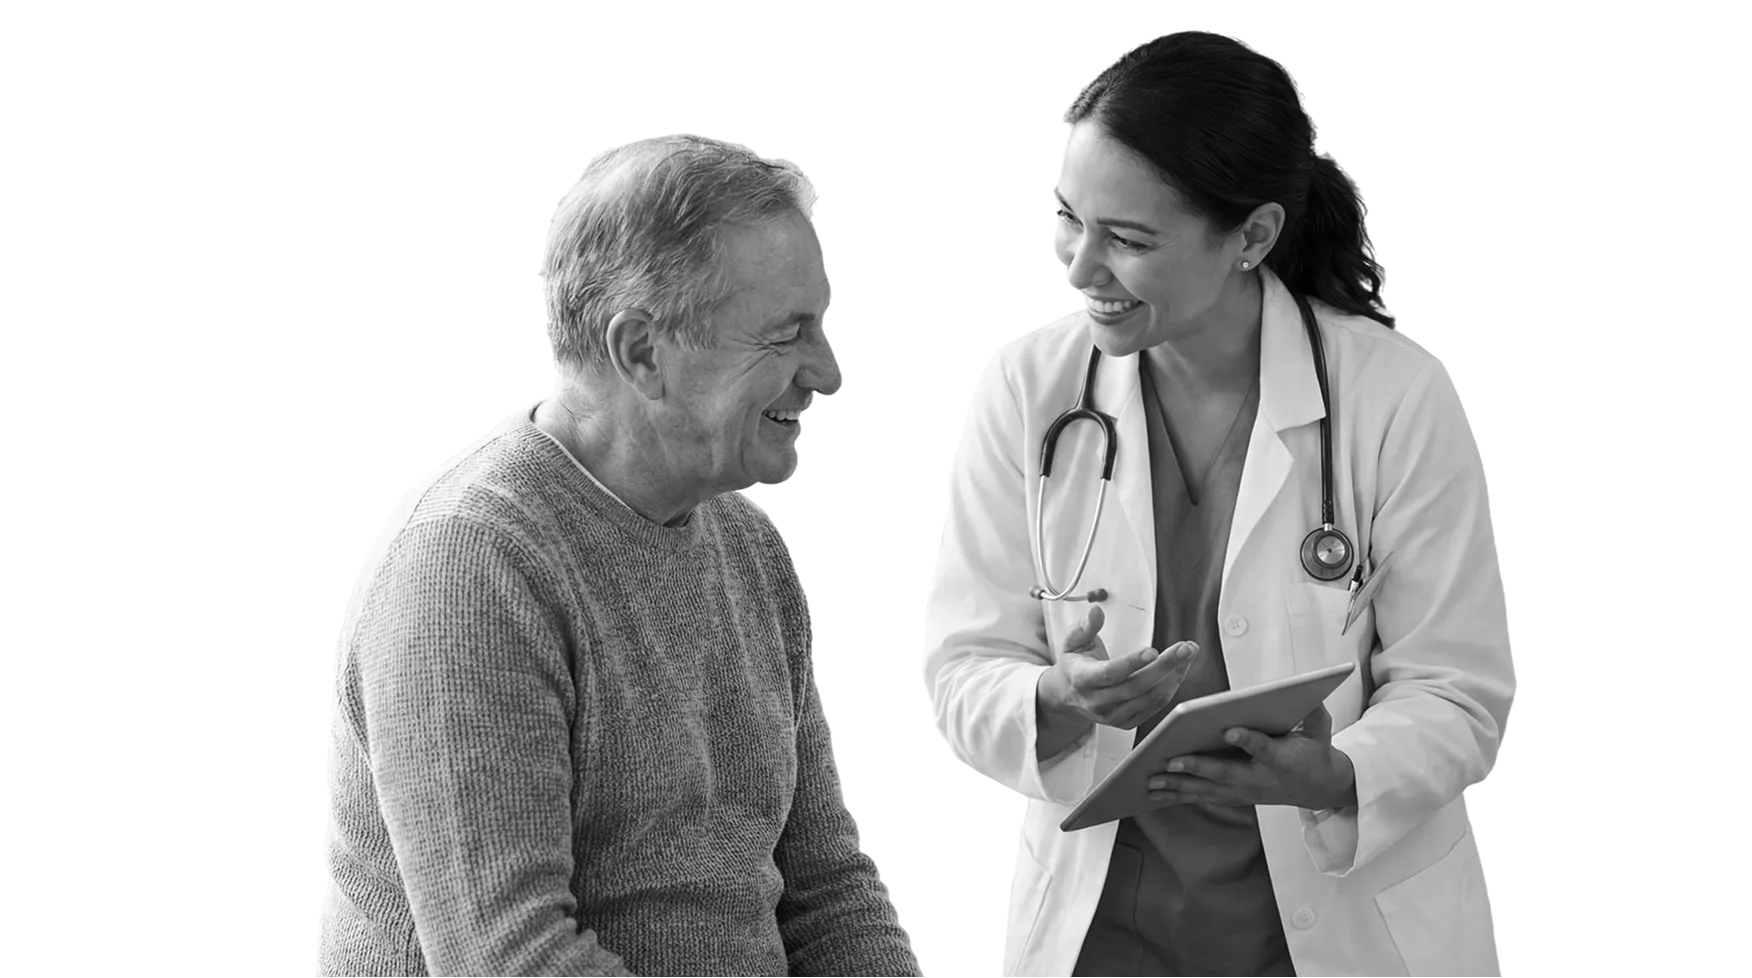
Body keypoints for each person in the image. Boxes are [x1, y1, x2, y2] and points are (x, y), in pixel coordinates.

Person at [922, 31, 1512, 978]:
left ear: (1253, 236)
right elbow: (962, 668)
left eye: (1129, 239)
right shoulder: (1027, 391)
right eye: (1066, 217)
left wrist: (1341, 774)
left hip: (1336, 931)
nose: (1079, 266)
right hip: (1105, 932)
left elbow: (1459, 688)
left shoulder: (1394, 398)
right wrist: (1052, 700)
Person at [322, 135, 918, 977]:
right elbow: (512, 960)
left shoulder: (747, 545)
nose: (828, 371)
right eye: (785, 337)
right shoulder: (472, 570)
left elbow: (827, 891)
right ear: (642, 351)